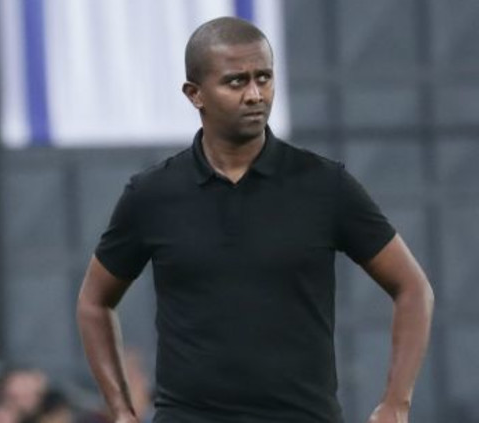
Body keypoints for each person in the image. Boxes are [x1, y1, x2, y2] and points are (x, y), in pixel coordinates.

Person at [77, 16, 433, 423]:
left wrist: (396, 402)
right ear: (195, 94)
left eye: (264, 78)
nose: (255, 95)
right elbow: (94, 301)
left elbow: (413, 288)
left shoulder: (325, 185)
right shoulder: (152, 195)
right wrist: (121, 410)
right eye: (236, 82)